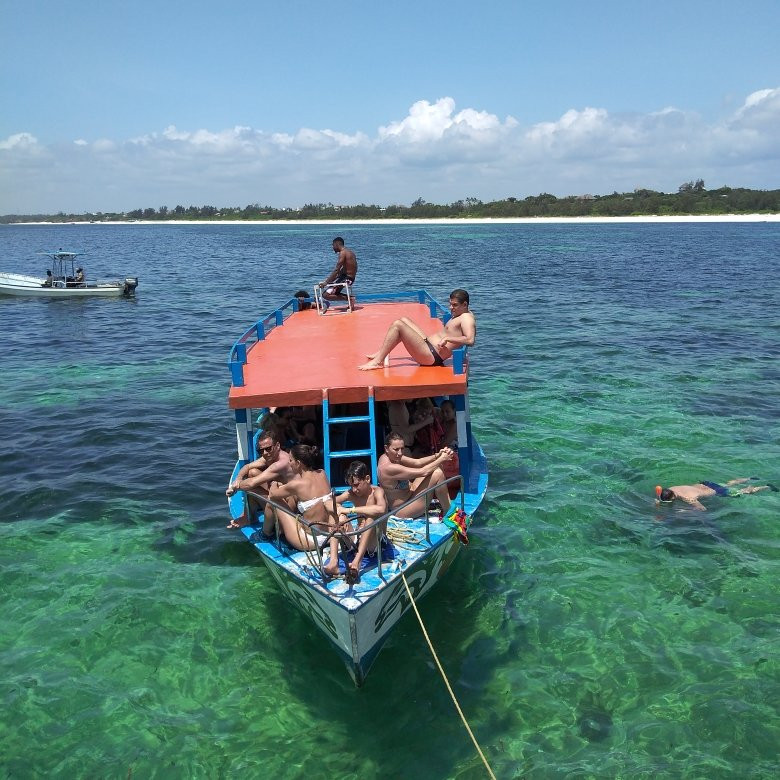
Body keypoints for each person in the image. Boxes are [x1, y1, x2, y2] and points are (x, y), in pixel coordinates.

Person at [265, 444, 342, 576]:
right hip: (329, 536)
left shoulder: (297, 484)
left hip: (309, 540)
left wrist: (274, 483)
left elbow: (273, 495)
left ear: (299, 463)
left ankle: (265, 533)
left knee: (272, 502)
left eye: (291, 460)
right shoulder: (322, 473)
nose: (289, 464)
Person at [359, 289, 475, 370]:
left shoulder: (466, 318)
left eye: (454, 305)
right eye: (450, 304)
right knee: (404, 320)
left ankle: (378, 361)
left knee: (398, 325)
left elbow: (470, 340)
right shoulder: (461, 314)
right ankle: (381, 352)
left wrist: (447, 338)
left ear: (464, 304)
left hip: (431, 356)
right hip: (428, 346)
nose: (451, 308)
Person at [225, 430, 296, 526]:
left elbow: (251, 483)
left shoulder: (281, 463)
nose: (265, 453)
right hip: (280, 492)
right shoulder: (271, 455)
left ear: (277, 446)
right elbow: (247, 467)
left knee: (250, 488)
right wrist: (238, 478)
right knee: (252, 472)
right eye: (261, 451)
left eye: (268, 449)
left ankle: (249, 517)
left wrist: (234, 488)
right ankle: (254, 508)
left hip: (289, 507)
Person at [333, 461, 388, 583]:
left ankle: (357, 561)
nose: (354, 489)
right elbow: (329, 503)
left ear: (367, 479)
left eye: (357, 485)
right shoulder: (351, 493)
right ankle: (333, 561)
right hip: (358, 539)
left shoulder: (378, 491)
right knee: (340, 519)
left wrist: (349, 509)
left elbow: (381, 508)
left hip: (376, 542)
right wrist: (341, 513)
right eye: (351, 486)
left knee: (371, 517)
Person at [378, 431, 455, 518]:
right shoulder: (388, 467)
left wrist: (437, 456)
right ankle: (448, 511)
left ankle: (446, 504)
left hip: (411, 494)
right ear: (386, 448)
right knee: (437, 473)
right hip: (402, 509)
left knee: (437, 466)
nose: (400, 453)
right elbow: (423, 472)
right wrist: (442, 459)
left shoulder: (393, 456)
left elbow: (417, 462)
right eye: (396, 449)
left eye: (402, 449)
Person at [656, 478, 777, 511]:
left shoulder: (688, 498)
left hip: (715, 491)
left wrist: (686, 511)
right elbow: (662, 497)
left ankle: (766, 486)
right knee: (728, 484)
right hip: (705, 483)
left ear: (673, 497)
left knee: (742, 492)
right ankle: (750, 478)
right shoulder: (671, 489)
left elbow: (702, 509)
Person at [320, 237, 357, 304]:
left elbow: (337, 270)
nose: (333, 248)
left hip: (347, 279)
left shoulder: (343, 253)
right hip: (350, 278)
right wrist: (332, 280)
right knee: (333, 291)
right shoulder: (351, 252)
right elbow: (349, 268)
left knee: (325, 295)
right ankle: (350, 298)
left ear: (337, 244)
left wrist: (326, 282)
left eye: (333, 245)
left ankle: (351, 298)